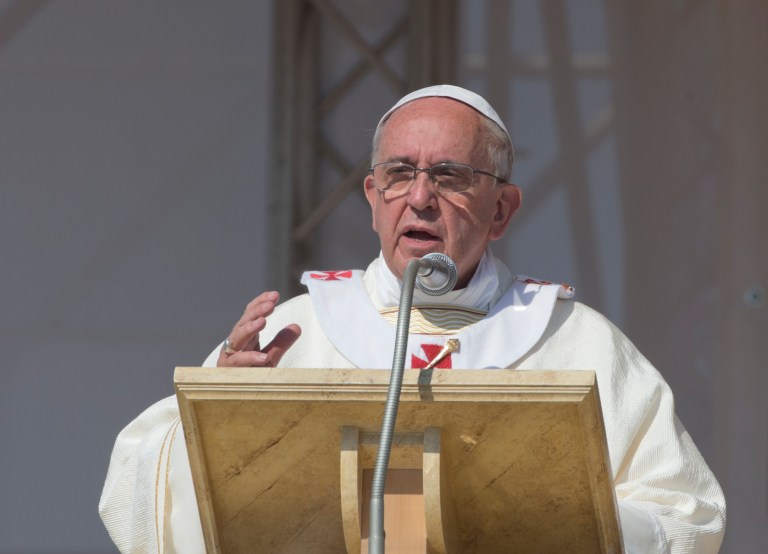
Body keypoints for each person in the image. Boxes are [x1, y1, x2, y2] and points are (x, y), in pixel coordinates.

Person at [99, 85, 726, 553]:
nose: (420, 197)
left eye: (449, 176)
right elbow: (141, 488)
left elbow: (685, 516)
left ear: (502, 209)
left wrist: (553, 517)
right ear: (373, 199)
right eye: (399, 173)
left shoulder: (576, 343)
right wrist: (215, 414)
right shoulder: (297, 333)